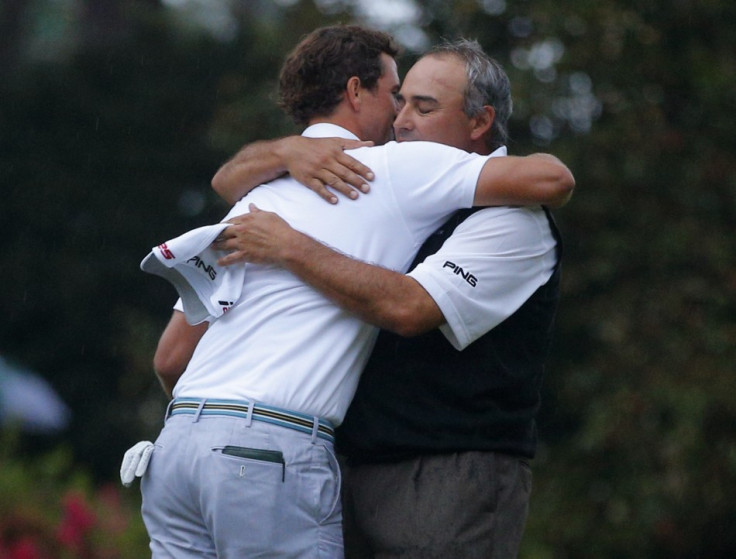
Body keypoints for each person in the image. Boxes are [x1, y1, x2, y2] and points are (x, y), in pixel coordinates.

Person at [132, 25, 574, 559]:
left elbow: (171, 357)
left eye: (420, 106)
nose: (400, 119)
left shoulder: (257, 197)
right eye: (397, 97)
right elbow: (553, 177)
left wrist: (291, 236)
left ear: (481, 121)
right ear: (354, 91)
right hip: (275, 449)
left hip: (178, 446)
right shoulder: (391, 168)